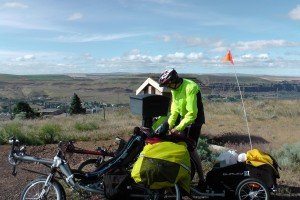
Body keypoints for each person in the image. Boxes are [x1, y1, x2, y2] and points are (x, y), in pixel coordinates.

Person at [158, 68, 206, 190]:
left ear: (174, 80)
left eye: (168, 84)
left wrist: (177, 128)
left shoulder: (190, 87)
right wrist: (169, 125)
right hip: (183, 118)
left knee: (190, 148)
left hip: (194, 121)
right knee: (175, 142)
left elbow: (191, 114)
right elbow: (174, 110)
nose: (168, 87)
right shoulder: (175, 89)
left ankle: (202, 179)